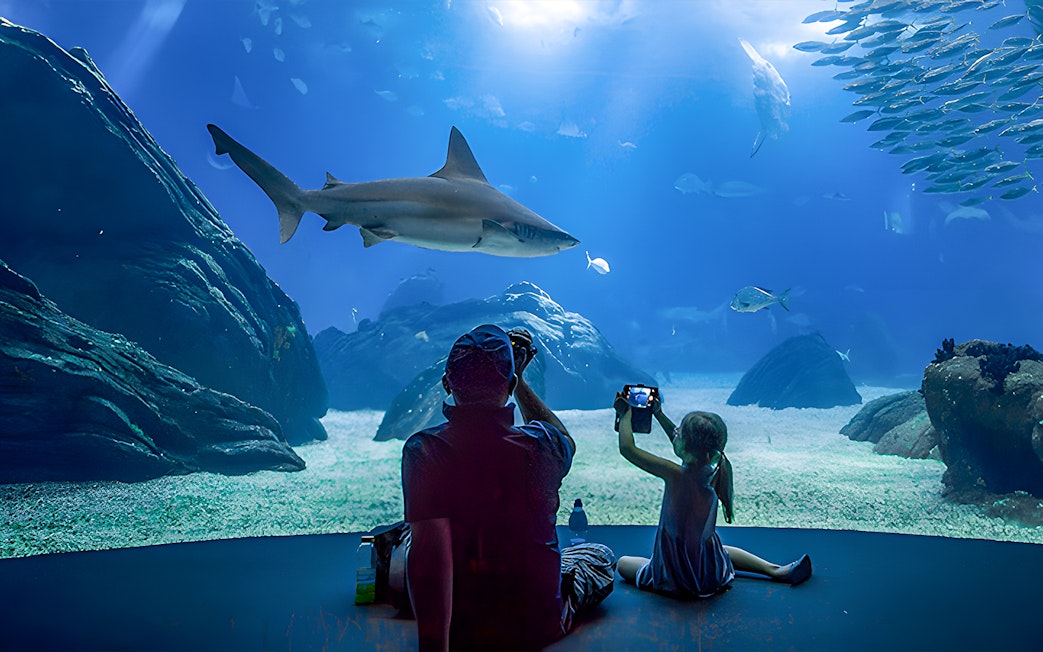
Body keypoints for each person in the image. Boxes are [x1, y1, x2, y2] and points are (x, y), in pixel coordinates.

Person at [401, 324, 616, 651]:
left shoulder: (424, 451)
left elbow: (430, 556)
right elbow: (566, 440)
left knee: (409, 540)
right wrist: (520, 382)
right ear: (512, 382)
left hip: (463, 629)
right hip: (537, 625)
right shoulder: (542, 446)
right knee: (597, 555)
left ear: (447, 383)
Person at [614, 393, 812, 598]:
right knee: (720, 549)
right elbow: (682, 441)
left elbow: (627, 449)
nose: (676, 432)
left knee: (623, 563)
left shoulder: (676, 476)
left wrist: (625, 414)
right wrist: (659, 414)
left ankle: (671, 577)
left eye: (680, 432)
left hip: (678, 577)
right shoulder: (712, 473)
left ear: (686, 446)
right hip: (709, 572)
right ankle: (776, 570)